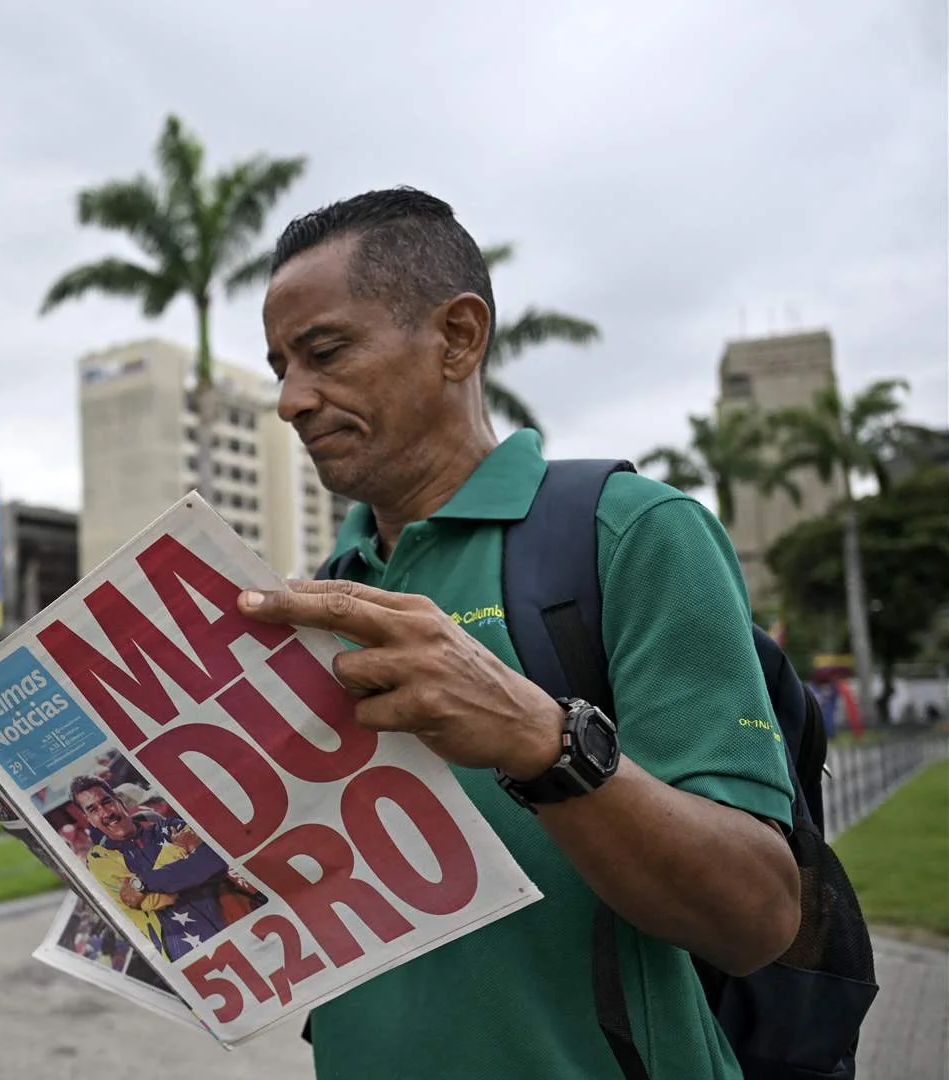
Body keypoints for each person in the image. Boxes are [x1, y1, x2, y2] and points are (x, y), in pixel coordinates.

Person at [241, 187, 799, 1079]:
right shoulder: (321, 596)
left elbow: (759, 918)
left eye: (325, 352)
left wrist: (545, 743)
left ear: (459, 338)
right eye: (279, 366)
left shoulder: (631, 534)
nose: (291, 400)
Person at [71, 774, 236, 962]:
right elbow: (151, 902)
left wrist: (141, 883)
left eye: (107, 802)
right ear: (88, 819)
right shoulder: (100, 859)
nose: (105, 813)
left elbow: (214, 861)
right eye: (93, 809)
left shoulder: (169, 826)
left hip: (234, 923)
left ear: (119, 801)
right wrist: (177, 851)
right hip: (186, 954)